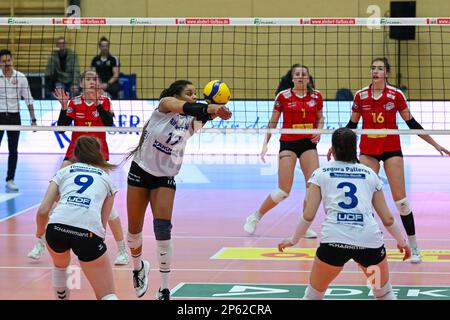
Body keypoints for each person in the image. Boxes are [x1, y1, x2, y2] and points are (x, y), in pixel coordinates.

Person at [336, 57, 450, 263]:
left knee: (401, 201)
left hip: (391, 150)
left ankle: (414, 246)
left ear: (387, 73)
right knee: (364, 199)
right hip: (368, 151)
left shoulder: (396, 95)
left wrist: (434, 144)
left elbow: (411, 122)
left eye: (380, 69)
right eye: (373, 68)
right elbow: (351, 125)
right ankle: (367, 244)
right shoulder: (361, 96)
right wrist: (336, 144)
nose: (376, 72)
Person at [126, 80, 232, 300]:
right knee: (134, 230)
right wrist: (210, 108)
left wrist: (219, 109)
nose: (194, 97)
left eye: (196, 94)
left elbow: (202, 113)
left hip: (165, 177)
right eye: (189, 93)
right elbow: (187, 107)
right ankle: (138, 268)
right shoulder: (165, 105)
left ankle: (164, 288)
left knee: (162, 229)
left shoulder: (192, 122)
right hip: (140, 170)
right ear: (177, 94)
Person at [279, 127, 411, 300]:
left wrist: (293, 240)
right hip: (369, 244)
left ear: (332, 150)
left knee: (313, 295)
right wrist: (403, 242)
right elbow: (388, 218)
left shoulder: (320, 174)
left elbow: (308, 214)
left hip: (334, 244)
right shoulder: (370, 174)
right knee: (384, 293)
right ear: (354, 149)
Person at [27, 70, 129, 266]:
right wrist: (64, 108)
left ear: (99, 83)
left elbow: (109, 125)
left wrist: (99, 104)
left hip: (98, 157)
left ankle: (122, 250)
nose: (91, 82)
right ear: (81, 83)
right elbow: (63, 127)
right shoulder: (74, 102)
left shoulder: (105, 101)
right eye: (88, 79)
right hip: (74, 155)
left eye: (95, 79)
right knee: (53, 199)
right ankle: (39, 242)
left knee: (107, 206)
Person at [244, 64, 323, 237]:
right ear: (292, 78)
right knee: (283, 191)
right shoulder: (283, 96)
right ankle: (255, 217)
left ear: (308, 78)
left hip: (308, 144)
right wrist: (265, 144)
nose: (301, 77)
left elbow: (320, 118)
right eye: (297, 74)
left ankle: (305, 224)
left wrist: (319, 131)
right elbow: (273, 122)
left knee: (313, 186)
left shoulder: (316, 96)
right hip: (288, 143)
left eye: (304, 74)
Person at [36, 136, 119, 300]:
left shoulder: (63, 172)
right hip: (88, 233)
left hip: (56, 229)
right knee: (107, 294)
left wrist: (40, 233)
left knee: (60, 267)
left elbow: (43, 210)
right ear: (98, 153)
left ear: (75, 153)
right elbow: (103, 223)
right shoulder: (106, 178)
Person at [0, 49, 37, 192]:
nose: (6, 64)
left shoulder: (21, 77)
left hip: (15, 117)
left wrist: (33, 120)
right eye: (3, 61)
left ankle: (10, 179)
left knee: (13, 150)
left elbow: (28, 99)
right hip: (0, 115)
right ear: (0, 63)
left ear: (12, 60)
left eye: (8, 61)